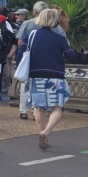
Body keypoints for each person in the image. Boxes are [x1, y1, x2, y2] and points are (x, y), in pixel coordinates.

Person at [18, 9, 77, 150]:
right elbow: (72, 56)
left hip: (36, 75)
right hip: (55, 77)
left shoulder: (31, 36)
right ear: (55, 21)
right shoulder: (59, 39)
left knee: (39, 108)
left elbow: (21, 52)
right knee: (57, 107)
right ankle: (47, 132)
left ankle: (41, 134)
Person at [16, 1, 56, 120]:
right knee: (39, 86)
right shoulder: (52, 26)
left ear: (34, 11)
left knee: (25, 84)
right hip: (44, 59)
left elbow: (20, 42)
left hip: (28, 58)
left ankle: (23, 110)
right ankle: (36, 111)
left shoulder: (28, 24)